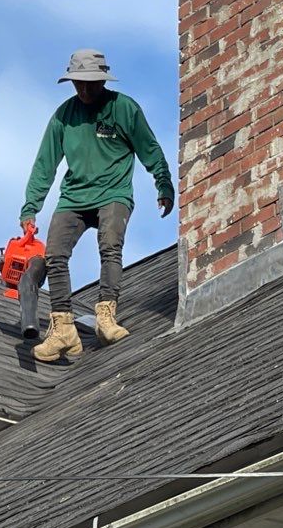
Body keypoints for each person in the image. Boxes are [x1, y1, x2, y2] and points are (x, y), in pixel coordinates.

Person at [20, 49, 174, 362]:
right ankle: (63, 327)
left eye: (92, 83)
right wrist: (30, 207)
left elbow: (150, 149)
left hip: (112, 194)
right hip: (74, 196)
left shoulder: (124, 108)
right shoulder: (64, 116)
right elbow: (44, 165)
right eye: (79, 84)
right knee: (54, 255)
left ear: (103, 81)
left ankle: (106, 316)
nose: (86, 90)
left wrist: (164, 183)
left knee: (110, 246)